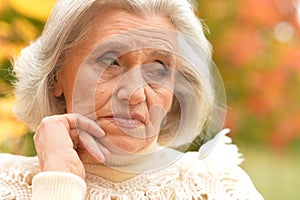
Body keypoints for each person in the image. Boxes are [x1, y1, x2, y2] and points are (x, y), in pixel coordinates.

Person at [0, 0, 263, 199]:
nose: (135, 94)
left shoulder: (219, 187)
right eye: (110, 61)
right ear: (57, 75)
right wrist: (58, 181)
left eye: (158, 68)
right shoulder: (7, 183)